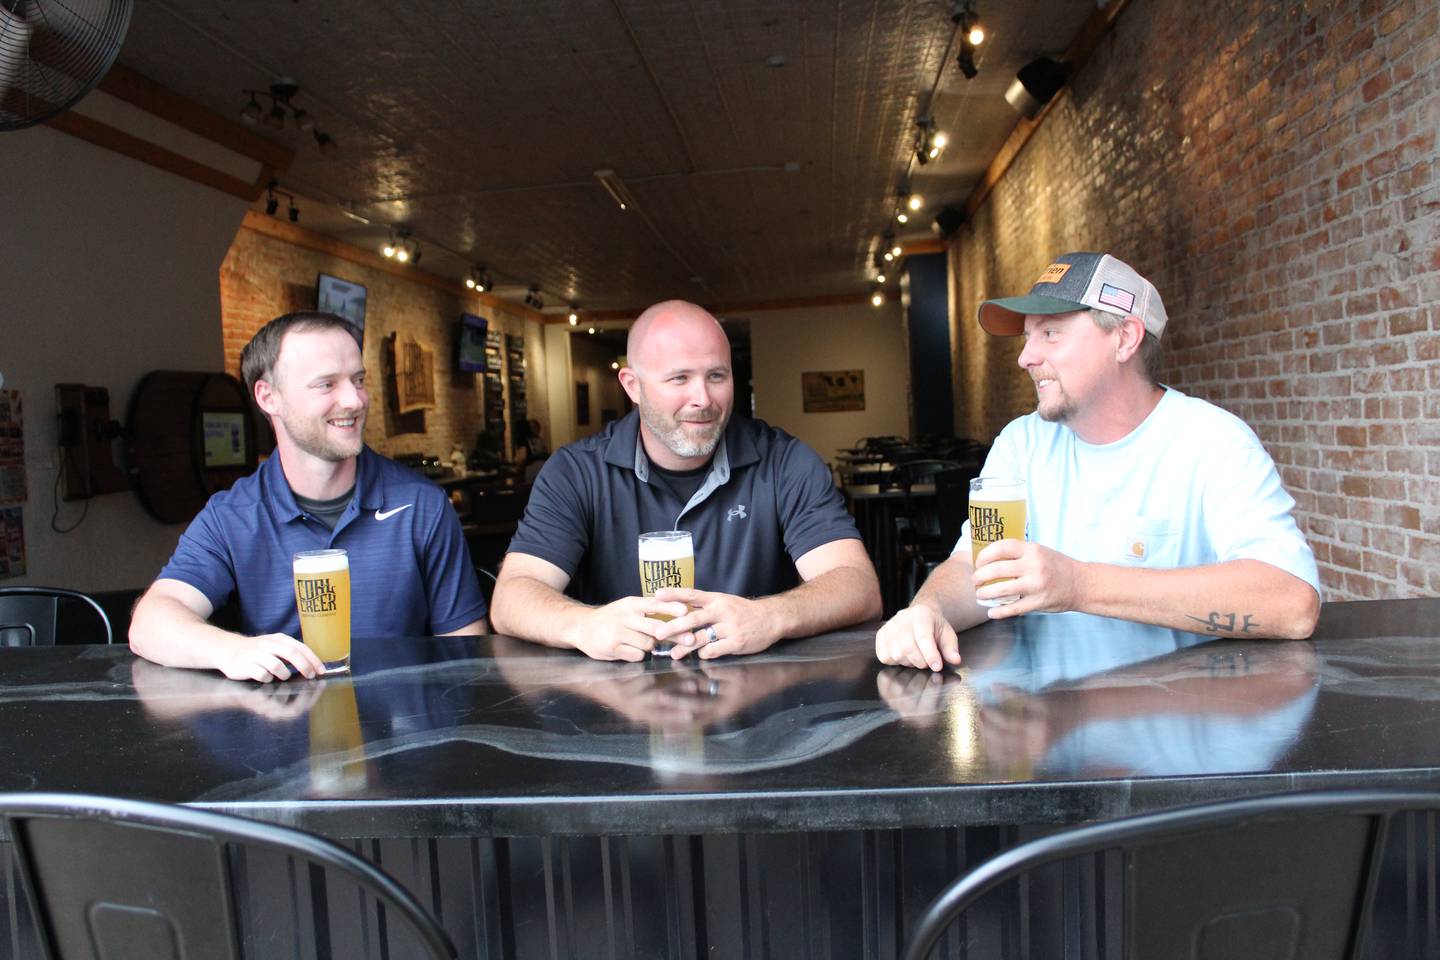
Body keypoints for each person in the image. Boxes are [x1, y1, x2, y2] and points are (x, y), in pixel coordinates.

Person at [876, 252, 1321, 672]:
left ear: (1124, 338)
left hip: (1174, 730)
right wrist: (927, 611)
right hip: (1048, 731)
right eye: (1028, 336)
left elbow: (1292, 603)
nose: (1025, 357)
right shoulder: (1022, 443)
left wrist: (1077, 585)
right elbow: (976, 568)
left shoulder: (1214, 443)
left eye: (1050, 333)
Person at [490, 300, 881, 661]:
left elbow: (858, 587)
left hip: (758, 708)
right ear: (632, 386)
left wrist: (770, 616)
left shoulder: (786, 462)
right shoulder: (576, 472)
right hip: (617, 713)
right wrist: (582, 624)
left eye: (716, 375)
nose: (703, 399)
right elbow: (511, 597)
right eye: (679, 378)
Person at [130, 312, 488, 683]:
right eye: (326, 384)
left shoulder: (421, 504)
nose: (354, 400)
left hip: (401, 728)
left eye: (358, 380)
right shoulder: (232, 515)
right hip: (282, 729)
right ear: (268, 397)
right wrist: (230, 649)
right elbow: (151, 622)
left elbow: (465, 658)